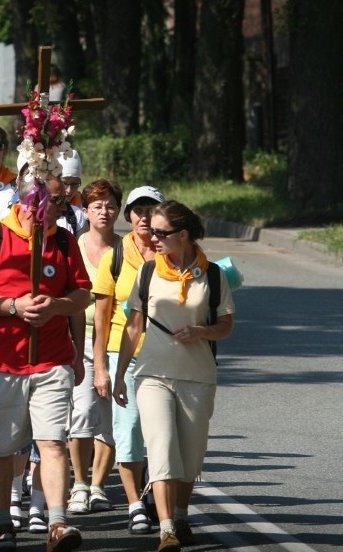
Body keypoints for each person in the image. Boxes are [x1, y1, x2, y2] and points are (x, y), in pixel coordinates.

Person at [0, 161, 90, 552]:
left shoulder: (65, 242)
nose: (56, 206)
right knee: (2, 450)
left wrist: (57, 306)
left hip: (52, 360)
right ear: (26, 197)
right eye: (49, 199)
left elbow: (83, 294)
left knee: (52, 443)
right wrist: (11, 306)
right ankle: (3, 523)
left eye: (60, 199)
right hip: (2, 361)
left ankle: (57, 523)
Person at [113, 200, 235, 552]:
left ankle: (180, 514)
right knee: (163, 449)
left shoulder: (213, 274)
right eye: (151, 231)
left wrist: (201, 332)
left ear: (183, 235)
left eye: (161, 232)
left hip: (197, 377)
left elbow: (225, 325)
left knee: (191, 457)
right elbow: (134, 326)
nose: (153, 238)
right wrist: (120, 373)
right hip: (153, 374)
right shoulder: (148, 272)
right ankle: (166, 529)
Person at [92, 185, 165, 536]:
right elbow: (102, 317)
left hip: (169, 357)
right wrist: (102, 367)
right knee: (130, 431)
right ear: (129, 216)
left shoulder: (174, 252)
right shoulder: (115, 257)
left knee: (163, 435)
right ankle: (135, 502)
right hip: (126, 357)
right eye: (138, 210)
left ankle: (158, 497)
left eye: (151, 209)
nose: (145, 217)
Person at [64, 180, 123, 518]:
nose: (104, 211)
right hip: (79, 338)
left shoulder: (127, 248)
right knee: (83, 412)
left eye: (111, 204)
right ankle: (79, 485)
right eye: (97, 205)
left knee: (111, 417)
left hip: (116, 339)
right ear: (84, 210)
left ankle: (99, 486)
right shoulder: (73, 245)